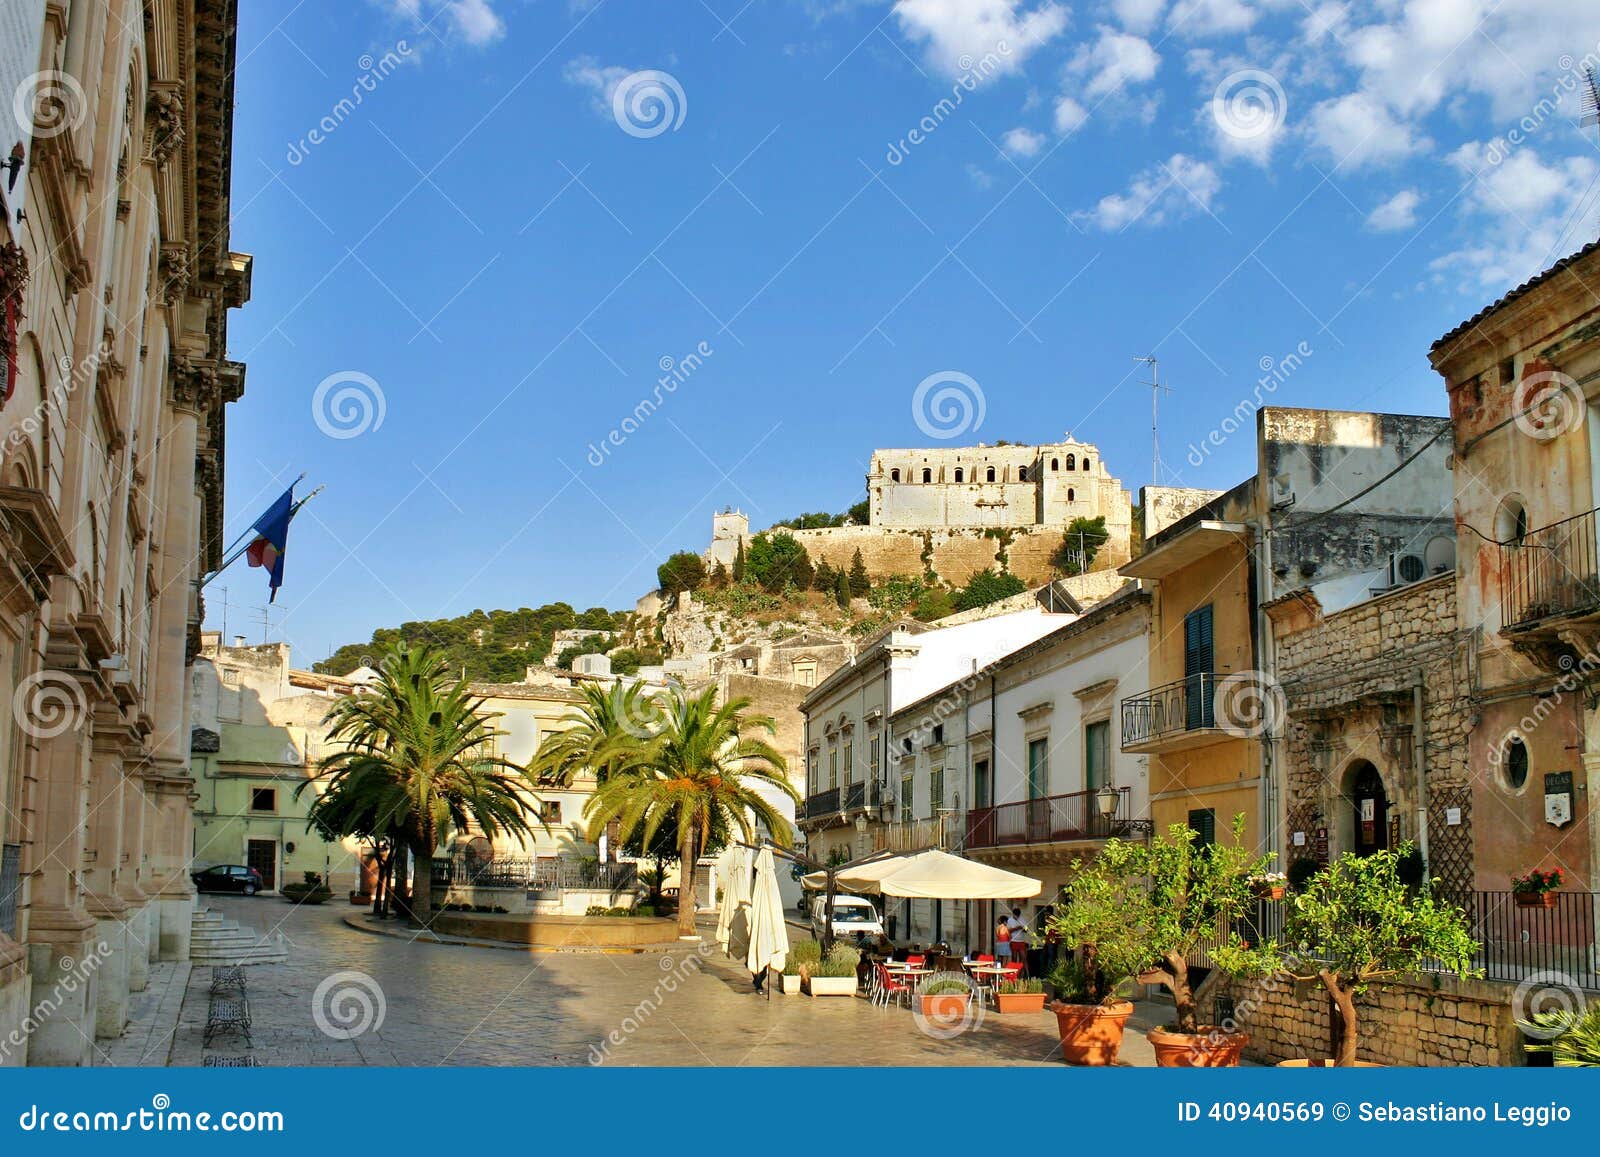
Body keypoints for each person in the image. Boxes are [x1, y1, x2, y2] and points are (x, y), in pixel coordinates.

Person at [1007, 906, 1030, 977]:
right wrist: (1016, 928)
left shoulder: (1023, 919)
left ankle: (1025, 974)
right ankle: (1014, 973)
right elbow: (1008, 931)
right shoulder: (1010, 920)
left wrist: (1023, 928)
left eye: (1017, 915)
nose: (1016, 917)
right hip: (1014, 940)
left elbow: (1026, 930)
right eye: (1015, 915)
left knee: (1023, 958)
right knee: (1014, 957)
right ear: (1013, 914)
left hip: (1021, 941)